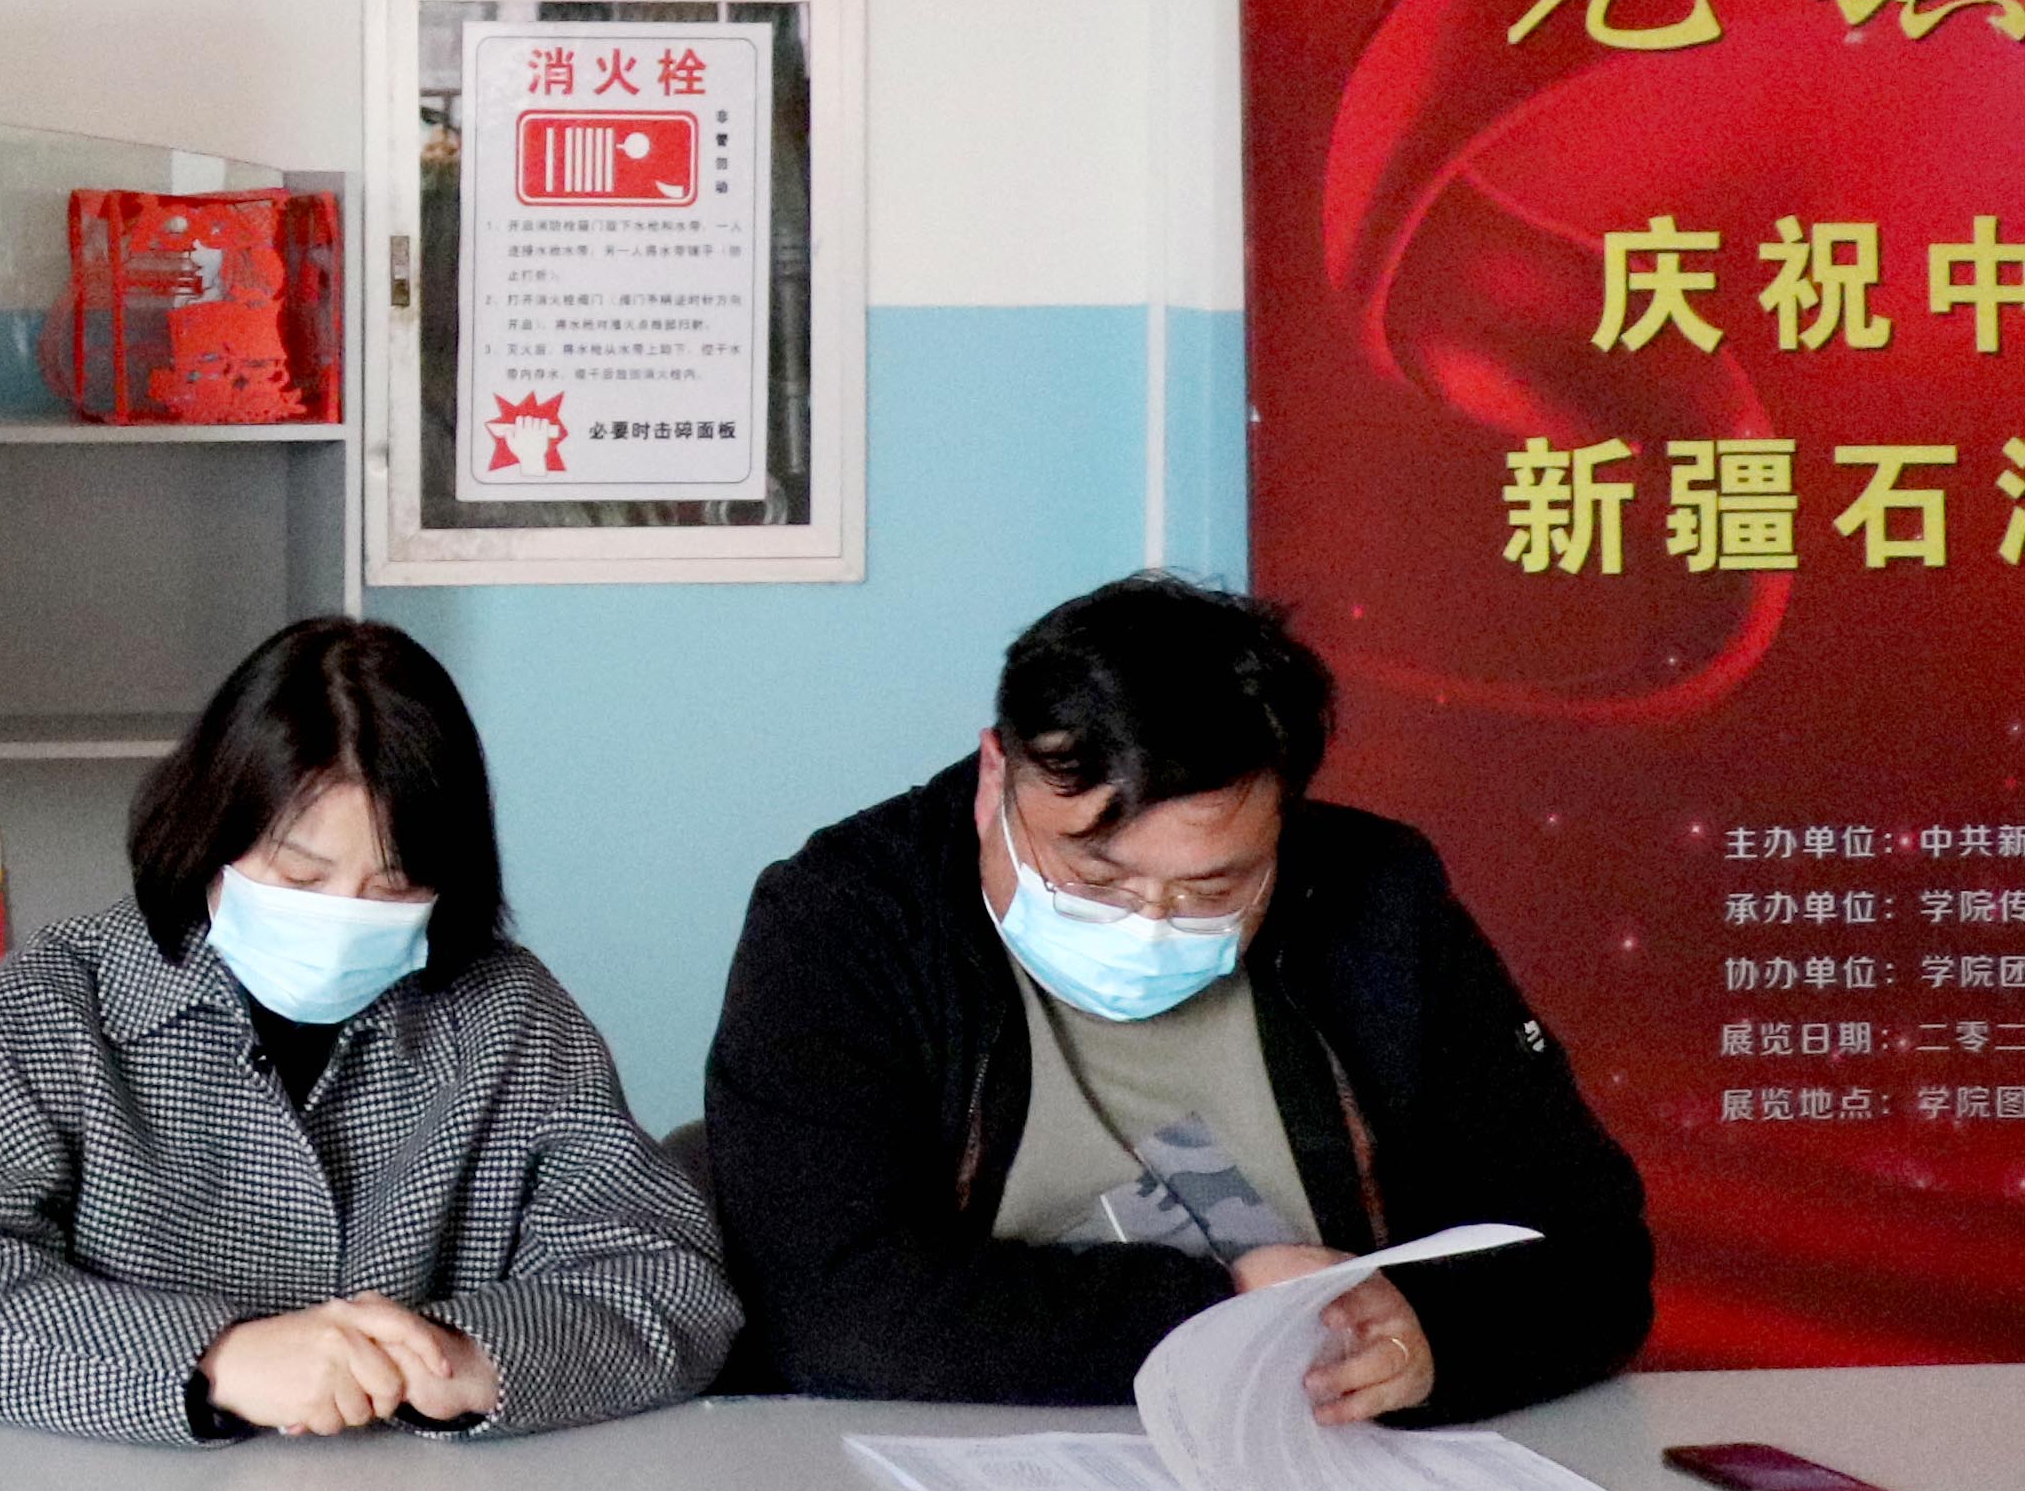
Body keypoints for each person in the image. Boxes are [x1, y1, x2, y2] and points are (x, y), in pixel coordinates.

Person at [705, 572, 1650, 1419]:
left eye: (1212, 888)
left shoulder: (1377, 902)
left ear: (1284, 825)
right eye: (1094, 876)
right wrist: (1226, 1318)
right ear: (997, 774)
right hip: (942, 1466)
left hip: (1317, 1468)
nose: (1148, 923)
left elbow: (1594, 1256)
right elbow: (831, 1310)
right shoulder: (846, 920)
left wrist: (1433, 1335)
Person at [0, 618, 735, 1443]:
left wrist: (466, 1355)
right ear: (212, 834)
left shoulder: (512, 1019)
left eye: (392, 889)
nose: (342, 919)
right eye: (299, 876)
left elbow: (672, 1280)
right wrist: (215, 1361)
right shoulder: (57, 1003)